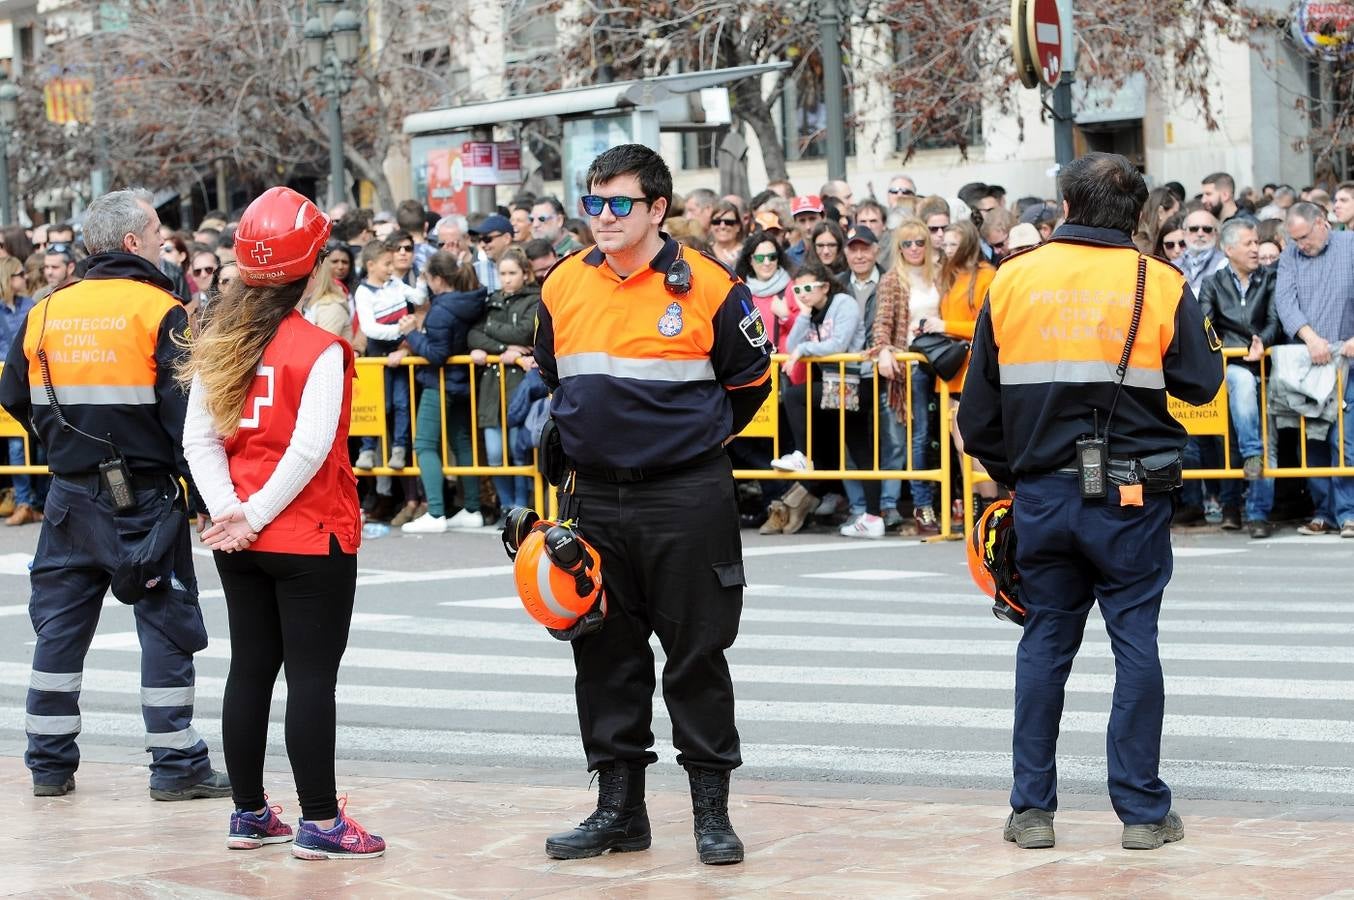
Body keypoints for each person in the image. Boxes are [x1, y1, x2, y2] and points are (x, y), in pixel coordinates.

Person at [958, 152, 1223, 852]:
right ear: (1139, 216)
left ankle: (1032, 810)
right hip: (1131, 492)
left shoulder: (1012, 280)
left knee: (1045, 642)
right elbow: (1201, 386)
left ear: (1066, 207)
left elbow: (978, 416)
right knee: (1135, 640)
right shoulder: (1159, 282)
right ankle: (1141, 812)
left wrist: (1017, 476)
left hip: (1042, 492)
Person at [533, 144, 771, 866]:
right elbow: (555, 374)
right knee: (604, 656)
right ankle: (618, 812)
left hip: (685, 496)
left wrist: (689, 445)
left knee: (697, 654)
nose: (602, 217)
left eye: (619, 204)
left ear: (657, 209)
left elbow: (752, 384)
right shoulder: (563, 285)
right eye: (593, 203)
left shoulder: (708, 285)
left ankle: (710, 814)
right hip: (594, 496)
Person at [0, 188, 230, 801]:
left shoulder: (45, 310)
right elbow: (186, 418)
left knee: (58, 631)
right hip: (144, 498)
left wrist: (62, 443)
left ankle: (48, 766)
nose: (162, 240)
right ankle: (176, 765)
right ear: (133, 243)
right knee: (166, 627)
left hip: (69, 497)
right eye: (156, 231)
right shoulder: (162, 311)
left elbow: (14, 395)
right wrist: (209, 498)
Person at [179, 186, 384, 859]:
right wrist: (255, 515)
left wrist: (228, 515)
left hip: (239, 538)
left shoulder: (219, 340)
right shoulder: (319, 348)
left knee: (250, 669)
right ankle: (321, 823)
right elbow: (311, 449)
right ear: (313, 262)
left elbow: (198, 442)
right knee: (312, 677)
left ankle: (248, 812)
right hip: (308, 532)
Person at [1197, 218, 1281, 537]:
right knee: (1233, 444)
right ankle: (1249, 458)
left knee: (1267, 442)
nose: (1255, 249)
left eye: (1256, 242)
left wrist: (1264, 341)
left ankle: (1258, 515)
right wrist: (1228, 349)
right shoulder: (1213, 283)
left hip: (1263, 367)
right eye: (1248, 243)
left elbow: (1274, 319)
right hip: (1231, 366)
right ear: (1228, 249)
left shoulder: (1269, 279)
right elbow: (1205, 324)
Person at [1275, 201, 1354, 537]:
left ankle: (1349, 512)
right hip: (1311, 360)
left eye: (1304, 237)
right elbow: (1285, 301)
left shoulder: (1349, 245)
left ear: (1322, 223)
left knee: (1346, 438)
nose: (1301, 245)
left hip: (1349, 359)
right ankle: (1323, 511)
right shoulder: (1290, 257)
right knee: (1314, 438)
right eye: (1295, 239)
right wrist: (1309, 338)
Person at [401, 252, 488, 532]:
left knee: (425, 444)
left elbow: (437, 354)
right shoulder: (470, 301)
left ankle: (435, 512)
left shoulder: (441, 309)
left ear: (437, 279)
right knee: (462, 442)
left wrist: (412, 334)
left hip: (439, 383)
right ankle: (472, 508)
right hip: (462, 383)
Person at [872, 218, 943, 534]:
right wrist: (884, 349)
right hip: (910, 367)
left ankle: (941, 501)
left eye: (919, 242)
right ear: (898, 248)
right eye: (907, 243)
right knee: (915, 437)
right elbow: (882, 323)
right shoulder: (892, 280)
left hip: (941, 363)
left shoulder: (939, 274)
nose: (914, 248)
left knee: (936, 437)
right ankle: (921, 505)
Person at [465, 248, 540, 520]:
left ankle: (520, 505)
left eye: (512, 273)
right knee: (495, 453)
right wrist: (502, 350)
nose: (506, 279)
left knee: (517, 450)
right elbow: (473, 334)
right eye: (503, 274)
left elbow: (524, 332)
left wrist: (492, 334)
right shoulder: (491, 300)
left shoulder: (535, 299)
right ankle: (506, 505)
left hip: (518, 384)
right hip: (491, 387)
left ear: (525, 273)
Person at [934, 221, 999, 512]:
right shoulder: (948, 275)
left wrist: (944, 325)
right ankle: (977, 504)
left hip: (975, 369)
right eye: (945, 244)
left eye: (953, 244)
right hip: (951, 371)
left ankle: (990, 503)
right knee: (961, 446)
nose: (947, 249)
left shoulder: (986, 275)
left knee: (973, 445)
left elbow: (987, 323)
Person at [708, 200, 746, 268]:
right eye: (716, 222)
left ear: (738, 226)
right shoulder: (704, 252)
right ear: (711, 226)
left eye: (728, 222)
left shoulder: (746, 253)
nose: (722, 226)